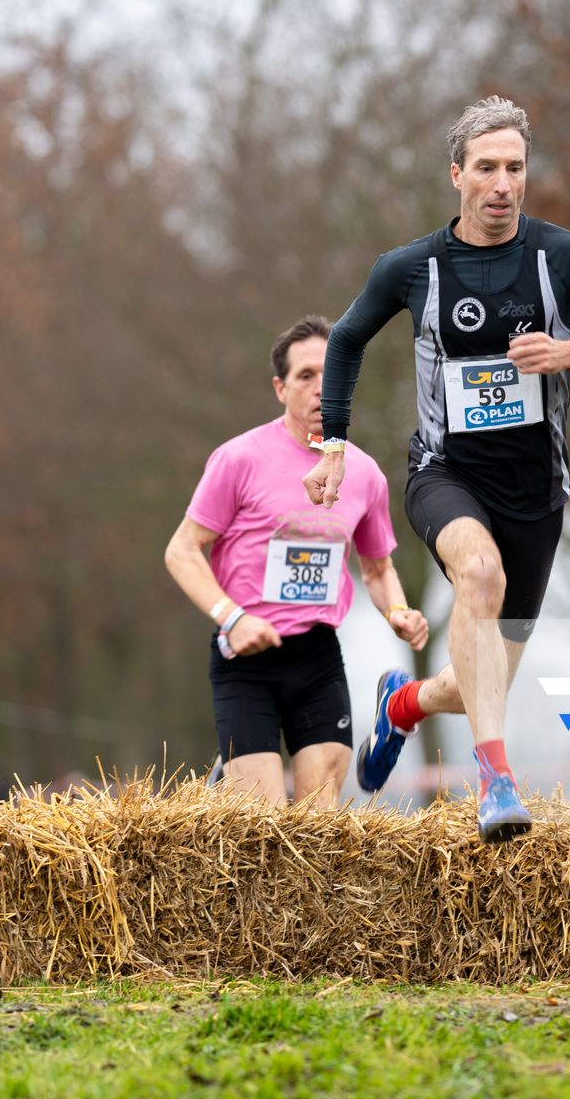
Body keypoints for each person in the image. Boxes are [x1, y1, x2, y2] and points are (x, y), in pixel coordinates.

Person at [305, 95, 570, 842]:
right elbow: (345, 341)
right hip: (446, 475)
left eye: (516, 168)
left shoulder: (561, 256)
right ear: (457, 175)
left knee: (478, 686)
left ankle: (402, 705)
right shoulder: (411, 268)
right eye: (487, 168)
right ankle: (496, 782)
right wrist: (333, 445)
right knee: (479, 577)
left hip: (537, 494)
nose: (503, 183)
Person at [165, 314, 430, 808]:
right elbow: (181, 550)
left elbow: (377, 568)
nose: (320, 388)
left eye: (332, 375)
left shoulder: (366, 474)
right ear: (280, 389)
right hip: (245, 658)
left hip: (317, 659)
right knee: (264, 830)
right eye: (306, 376)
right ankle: (231, 777)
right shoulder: (238, 459)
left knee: (317, 831)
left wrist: (397, 612)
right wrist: (232, 617)